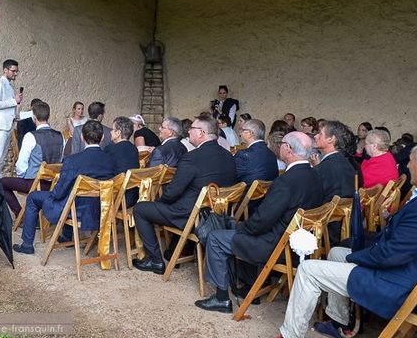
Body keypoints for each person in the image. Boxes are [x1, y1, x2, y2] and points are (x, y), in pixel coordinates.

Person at [276, 139, 417, 338]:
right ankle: (339, 321)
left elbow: (389, 255)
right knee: (336, 252)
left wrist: (356, 258)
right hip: (414, 274)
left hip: (400, 284)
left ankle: (290, 334)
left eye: (410, 161)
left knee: (308, 270)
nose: (406, 165)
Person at [194, 132, 324, 314]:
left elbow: (261, 221)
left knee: (216, 237)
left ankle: (221, 298)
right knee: (240, 231)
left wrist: (242, 227)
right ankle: (249, 288)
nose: (280, 146)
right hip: (294, 245)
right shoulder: (316, 175)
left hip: (275, 246)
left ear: (288, 149)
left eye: (282, 143)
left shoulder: (286, 181)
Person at [131, 115, 238, 274]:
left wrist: (160, 201)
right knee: (178, 201)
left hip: (190, 216)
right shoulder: (228, 157)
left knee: (140, 209)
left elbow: (172, 192)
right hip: (215, 215)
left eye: (192, 128)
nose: (188, 131)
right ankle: (173, 252)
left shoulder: (192, 157)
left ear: (201, 133)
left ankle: (156, 261)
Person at [13, 120, 116, 254]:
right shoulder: (111, 161)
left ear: (82, 137)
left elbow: (59, 193)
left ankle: (27, 244)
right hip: (100, 209)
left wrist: (54, 192)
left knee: (33, 197)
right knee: (71, 195)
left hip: (75, 209)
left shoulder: (73, 160)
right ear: (102, 138)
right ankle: (66, 237)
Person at [1, 101, 63, 218]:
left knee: (1, 182)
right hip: (53, 184)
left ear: (34, 117)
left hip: (34, 183)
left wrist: (22, 176)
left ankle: (20, 214)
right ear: (48, 116)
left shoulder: (30, 136)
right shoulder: (60, 136)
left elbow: (21, 165)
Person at [0, 59, 23, 178]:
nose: (15, 74)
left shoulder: (9, 85)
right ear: (5, 70)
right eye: (13, 71)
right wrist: (14, 101)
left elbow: (7, 106)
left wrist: (14, 115)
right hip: (1, 125)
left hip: (8, 124)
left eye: (16, 71)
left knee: (2, 155)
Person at [313, 121, 357, 202]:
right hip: (344, 213)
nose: (315, 136)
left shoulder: (324, 168)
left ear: (331, 139)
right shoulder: (345, 163)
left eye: (320, 134)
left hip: (327, 213)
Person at [105, 116, 140, 206]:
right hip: (132, 197)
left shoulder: (110, 149)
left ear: (118, 133)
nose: (111, 132)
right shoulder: (134, 149)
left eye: (113, 129)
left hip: (117, 199)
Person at [234, 119, 279, 186]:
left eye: (242, 130)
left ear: (250, 134)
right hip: (267, 193)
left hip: (246, 194)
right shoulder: (271, 153)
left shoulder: (242, 155)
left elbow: (230, 177)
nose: (240, 134)